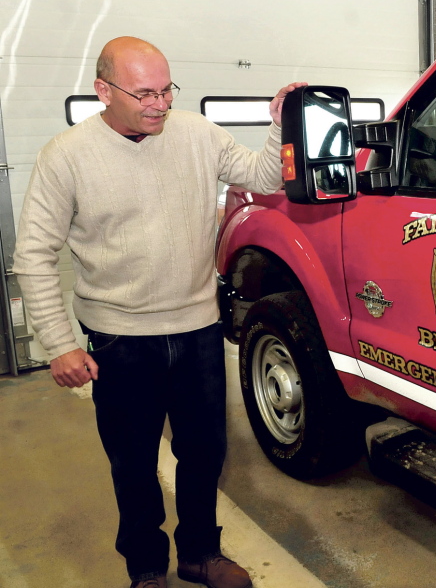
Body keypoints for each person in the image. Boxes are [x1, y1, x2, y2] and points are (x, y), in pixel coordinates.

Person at [13, 36, 304, 588]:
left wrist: (277, 124)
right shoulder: (66, 155)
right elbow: (33, 254)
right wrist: (59, 343)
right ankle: (147, 567)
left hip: (197, 330)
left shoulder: (196, 133)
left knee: (204, 454)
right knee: (134, 464)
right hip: (121, 340)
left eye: (167, 89)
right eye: (144, 92)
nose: (160, 104)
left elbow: (263, 178)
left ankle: (199, 554)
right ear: (103, 90)